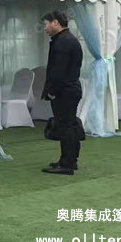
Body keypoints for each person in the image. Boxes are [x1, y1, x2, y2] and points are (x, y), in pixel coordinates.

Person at [41, 10, 84, 175]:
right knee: (69, 125)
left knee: (66, 127)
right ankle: (69, 160)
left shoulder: (63, 42)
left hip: (65, 91)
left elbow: (58, 70)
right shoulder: (67, 39)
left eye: (46, 24)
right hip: (70, 89)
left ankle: (67, 164)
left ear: (55, 22)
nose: (45, 28)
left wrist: (52, 91)